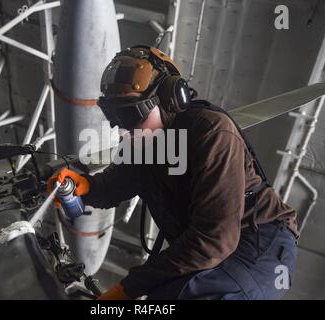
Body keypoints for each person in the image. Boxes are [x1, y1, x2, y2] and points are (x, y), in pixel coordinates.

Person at [48, 45, 299, 300]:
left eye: (131, 114)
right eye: (115, 117)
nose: (124, 129)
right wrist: (85, 186)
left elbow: (214, 238)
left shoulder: (211, 132)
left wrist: (125, 290)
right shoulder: (143, 143)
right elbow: (115, 184)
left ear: (171, 98)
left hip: (259, 245)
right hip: (218, 254)